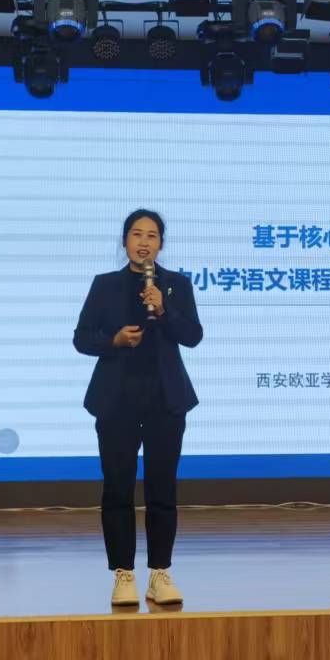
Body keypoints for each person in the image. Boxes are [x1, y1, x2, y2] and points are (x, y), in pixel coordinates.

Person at [72, 209, 203, 608]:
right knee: (117, 488)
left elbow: (193, 336)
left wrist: (163, 310)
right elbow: (82, 338)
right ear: (125, 241)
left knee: (163, 488)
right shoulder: (105, 285)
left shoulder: (176, 285)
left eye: (152, 235)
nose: (144, 242)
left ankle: (159, 573)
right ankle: (123, 574)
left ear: (161, 243)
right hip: (117, 400)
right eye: (136, 234)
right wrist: (112, 340)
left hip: (165, 399)